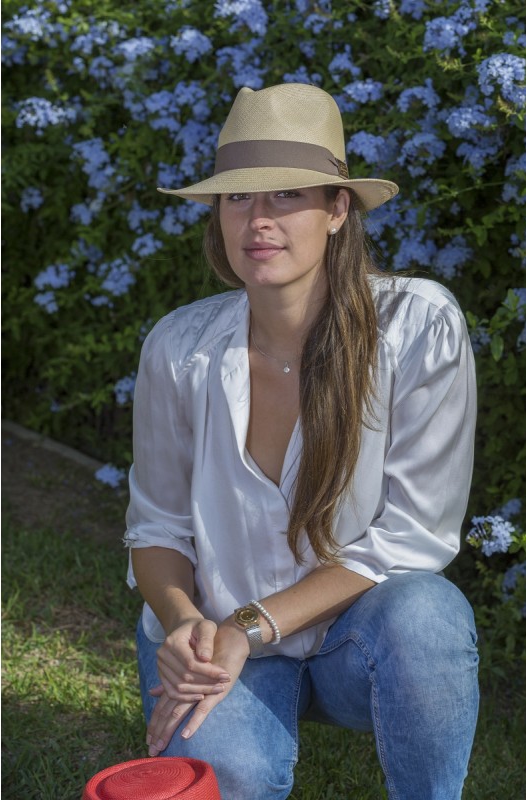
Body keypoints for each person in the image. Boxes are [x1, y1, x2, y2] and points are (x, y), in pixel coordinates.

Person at [124, 83, 479, 800]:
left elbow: (413, 537)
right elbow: (156, 527)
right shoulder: (180, 347)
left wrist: (251, 625)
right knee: (232, 781)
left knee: (429, 618)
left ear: (338, 209)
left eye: (287, 194)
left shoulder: (417, 327)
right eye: (237, 197)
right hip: (220, 644)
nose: (258, 219)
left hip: (357, 641)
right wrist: (187, 625)